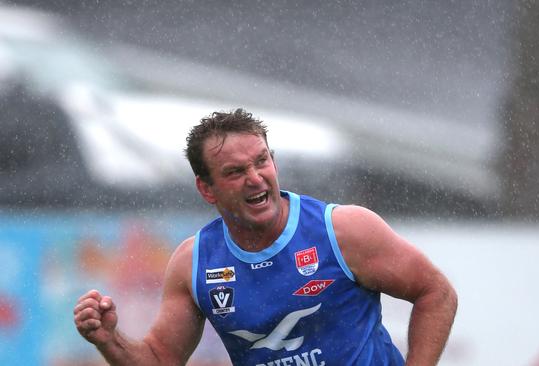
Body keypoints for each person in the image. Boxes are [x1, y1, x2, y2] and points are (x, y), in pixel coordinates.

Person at [74, 108, 457, 365]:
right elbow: (160, 358)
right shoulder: (195, 263)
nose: (256, 178)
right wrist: (109, 340)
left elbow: (436, 293)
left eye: (262, 161)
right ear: (207, 189)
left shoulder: (343, 230)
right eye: (236, 171)